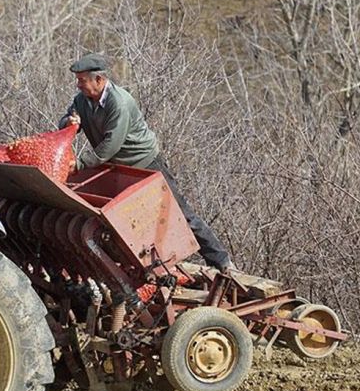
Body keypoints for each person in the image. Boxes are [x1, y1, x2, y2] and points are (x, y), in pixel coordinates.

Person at [59, 53, 235, 272]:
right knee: (130, 223)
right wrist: (70, 121)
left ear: (99, 80)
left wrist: (81, 164)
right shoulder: (82, 100)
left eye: (82, 80)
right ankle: (151, 268)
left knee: (178, 213)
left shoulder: (119, 102)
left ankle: (222, 262)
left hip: (145, 164)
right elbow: (67, 117)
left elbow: (111, 143)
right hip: (117, 167)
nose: (78, 85)